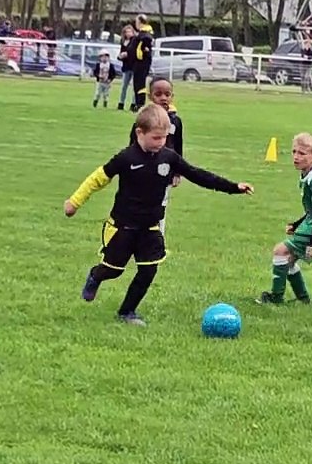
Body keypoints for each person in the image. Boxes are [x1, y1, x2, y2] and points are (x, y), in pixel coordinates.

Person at [64, 105, 254, 326]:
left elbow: (198, 175)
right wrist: (74, 202)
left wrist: (234, 187)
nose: (160, 143)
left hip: (150, 227)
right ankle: (96, 276)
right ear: (139, 133)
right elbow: (97, 179)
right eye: (155, 138)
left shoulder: (168, 158)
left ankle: (127, 312)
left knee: (149, 269)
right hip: (123, 226)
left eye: (164, 138)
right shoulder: (126, 158)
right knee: (113, 270)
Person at [257, 133, 312, 305]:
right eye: (294, 152)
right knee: (287, 260)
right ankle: (303, 299)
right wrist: (297, 224)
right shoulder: (307, 174)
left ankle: (276, 297)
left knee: (280, 251)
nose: (296, 157)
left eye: (302, 153)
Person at [127, 78, 184, 234]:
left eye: (167, 94)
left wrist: (178, 172)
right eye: (158, 94)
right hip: (143, 170)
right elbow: (132, 145)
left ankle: (158, 237)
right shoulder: (142, 121)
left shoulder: (175, 121)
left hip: (165, 171)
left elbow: (178, 146)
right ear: (151, 97)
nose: (163, 98)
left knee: (161, 204)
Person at [129, 14, 155, 111]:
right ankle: (138, 103)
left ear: (140, 22)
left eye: (136, 21)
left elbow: (145, 45)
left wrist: (144, 49)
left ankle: (140, 104)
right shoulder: (142, 33)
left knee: (139, 83)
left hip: (141, 63)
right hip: (138, 63)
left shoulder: (145, 34)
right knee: (137, 84)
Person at [116, 24, 137, 110]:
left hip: (134, 66)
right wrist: (120, 56)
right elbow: (121, 52)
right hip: (126, 66)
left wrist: (128, 54)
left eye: (130, 31)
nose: (128, 33)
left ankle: (133, 104)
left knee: (134, 86)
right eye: (126, 32)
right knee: (124, 86)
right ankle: (121, 103)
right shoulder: (123, 42)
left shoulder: (135, 41)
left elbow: (134, 53)